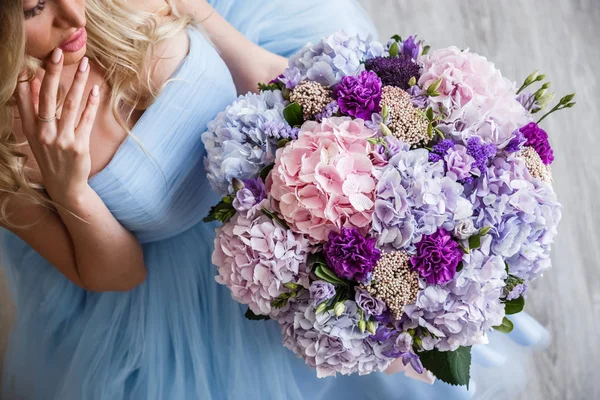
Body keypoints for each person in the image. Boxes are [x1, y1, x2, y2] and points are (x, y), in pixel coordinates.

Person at [0, 0, 550, 399]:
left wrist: (365, 145)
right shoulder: (8, 151)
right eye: (34, 9)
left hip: (288, 182)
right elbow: (117, 275)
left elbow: (262, 74)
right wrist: (71, 187)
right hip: (185, 287)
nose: (76, 17)